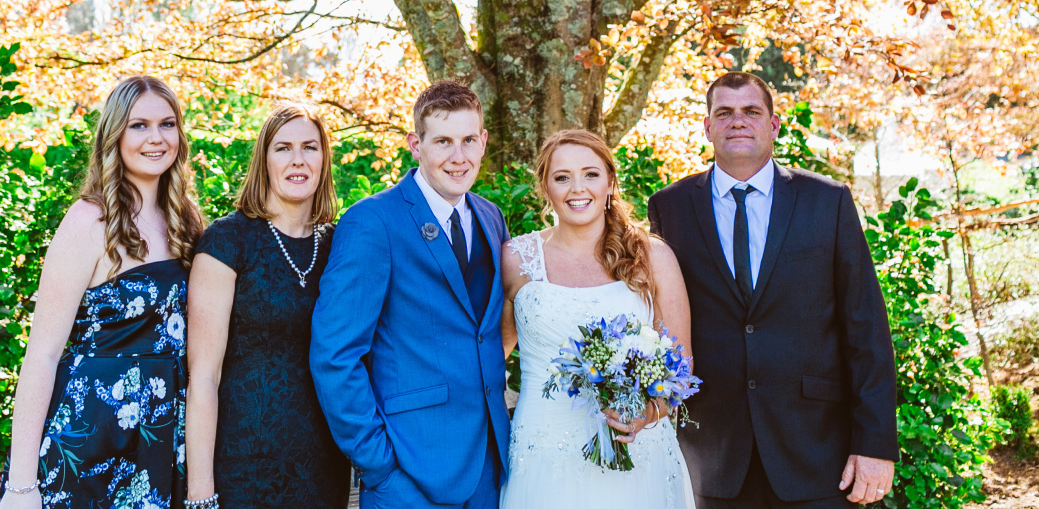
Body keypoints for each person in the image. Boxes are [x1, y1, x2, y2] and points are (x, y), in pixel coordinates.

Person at [647, 72, 898, 509]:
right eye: (724, 113)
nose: (737, 121)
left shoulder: (827, 201)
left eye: (751, 111)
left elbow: (866, 327)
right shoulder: (671, 206)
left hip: (817, 450)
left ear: (774, 124)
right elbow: (659, 322)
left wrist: (875, 445)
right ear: (707, 127)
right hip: (713, 455)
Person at [0, 75, 206, 509]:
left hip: (164, 438)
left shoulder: (186, 220)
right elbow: (42, 355)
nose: (156, 138)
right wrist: (21, 486)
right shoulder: (90, 220)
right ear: (115, 135)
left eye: (167, 124)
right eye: (139, 125)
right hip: (91, 440)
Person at [310, 80, 511, 509]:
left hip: (490, 468)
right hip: (409, 472)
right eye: (442, 142)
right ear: (415, 145)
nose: (458, 157)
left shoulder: (491, 217)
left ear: (483, 142)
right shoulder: (372, 222)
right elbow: (335, 355)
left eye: (468, 140)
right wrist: (379, 467)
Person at [500, 129, 696, 509]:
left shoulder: (652, 257)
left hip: (637, 452)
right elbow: (490, 357)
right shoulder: (515, 259)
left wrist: (645, 414)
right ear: (545, 187)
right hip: (542, 453)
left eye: (590, 174)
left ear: (609, 181)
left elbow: (682, 368)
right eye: (562, 177)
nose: (578, 188)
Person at [184, 103, 351, 509]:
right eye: (283, 148)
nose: (298, 160)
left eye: (309, 147)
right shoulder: (228, 241)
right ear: (264, 160)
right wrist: (200, 492)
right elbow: (203, 377)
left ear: (324, 159)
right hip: (242, 469)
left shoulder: (340, 245)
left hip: (323, 468)